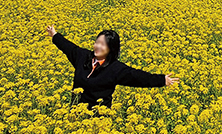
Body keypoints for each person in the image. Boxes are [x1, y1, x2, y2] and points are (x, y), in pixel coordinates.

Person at [46, 26, 179, 108]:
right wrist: (55, 35)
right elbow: (69, 47)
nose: (98, 46)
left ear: (111, 49)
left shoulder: (115, 69)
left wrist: (161, 80)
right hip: (75, 115)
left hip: (98, 120)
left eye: (103, 45)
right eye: (97, 42)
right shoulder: (83, 57)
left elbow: (137, 77)